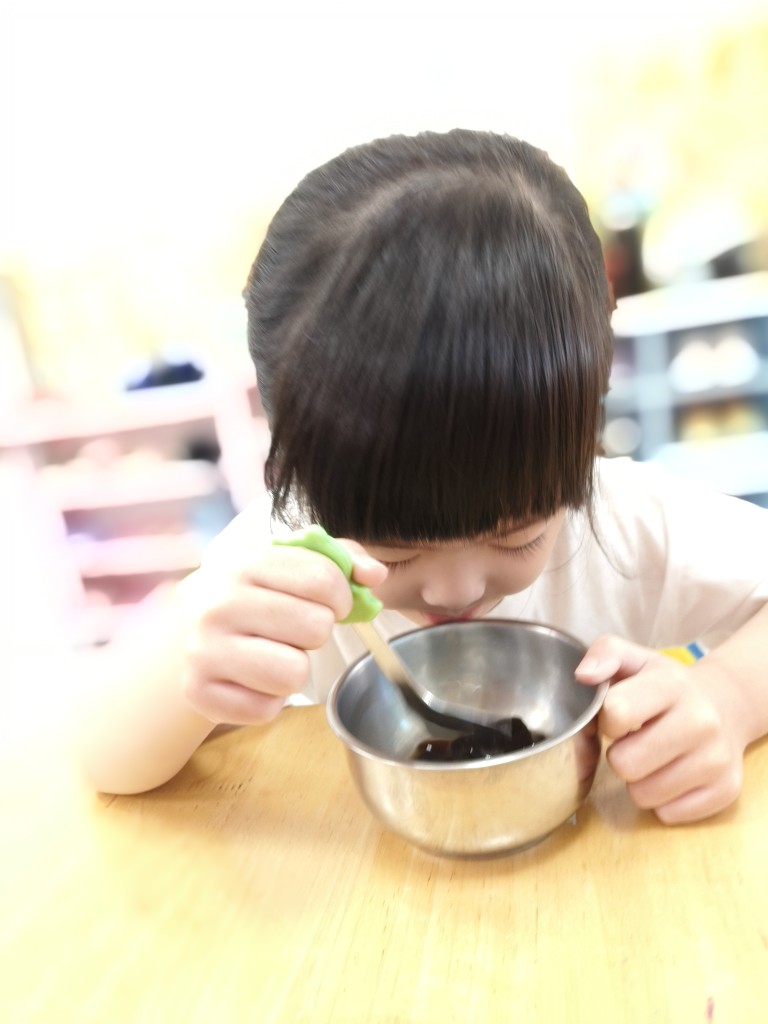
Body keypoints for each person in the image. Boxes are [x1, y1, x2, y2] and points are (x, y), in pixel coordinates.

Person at [77, 129, 768, 826]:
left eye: (516, 536)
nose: (455, 590)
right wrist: (189, 663)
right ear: (299, 475)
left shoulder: (621, 525)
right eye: (397, 550)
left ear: (578, 447)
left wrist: (728, 698)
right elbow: (105, 761)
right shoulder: (280, 560)